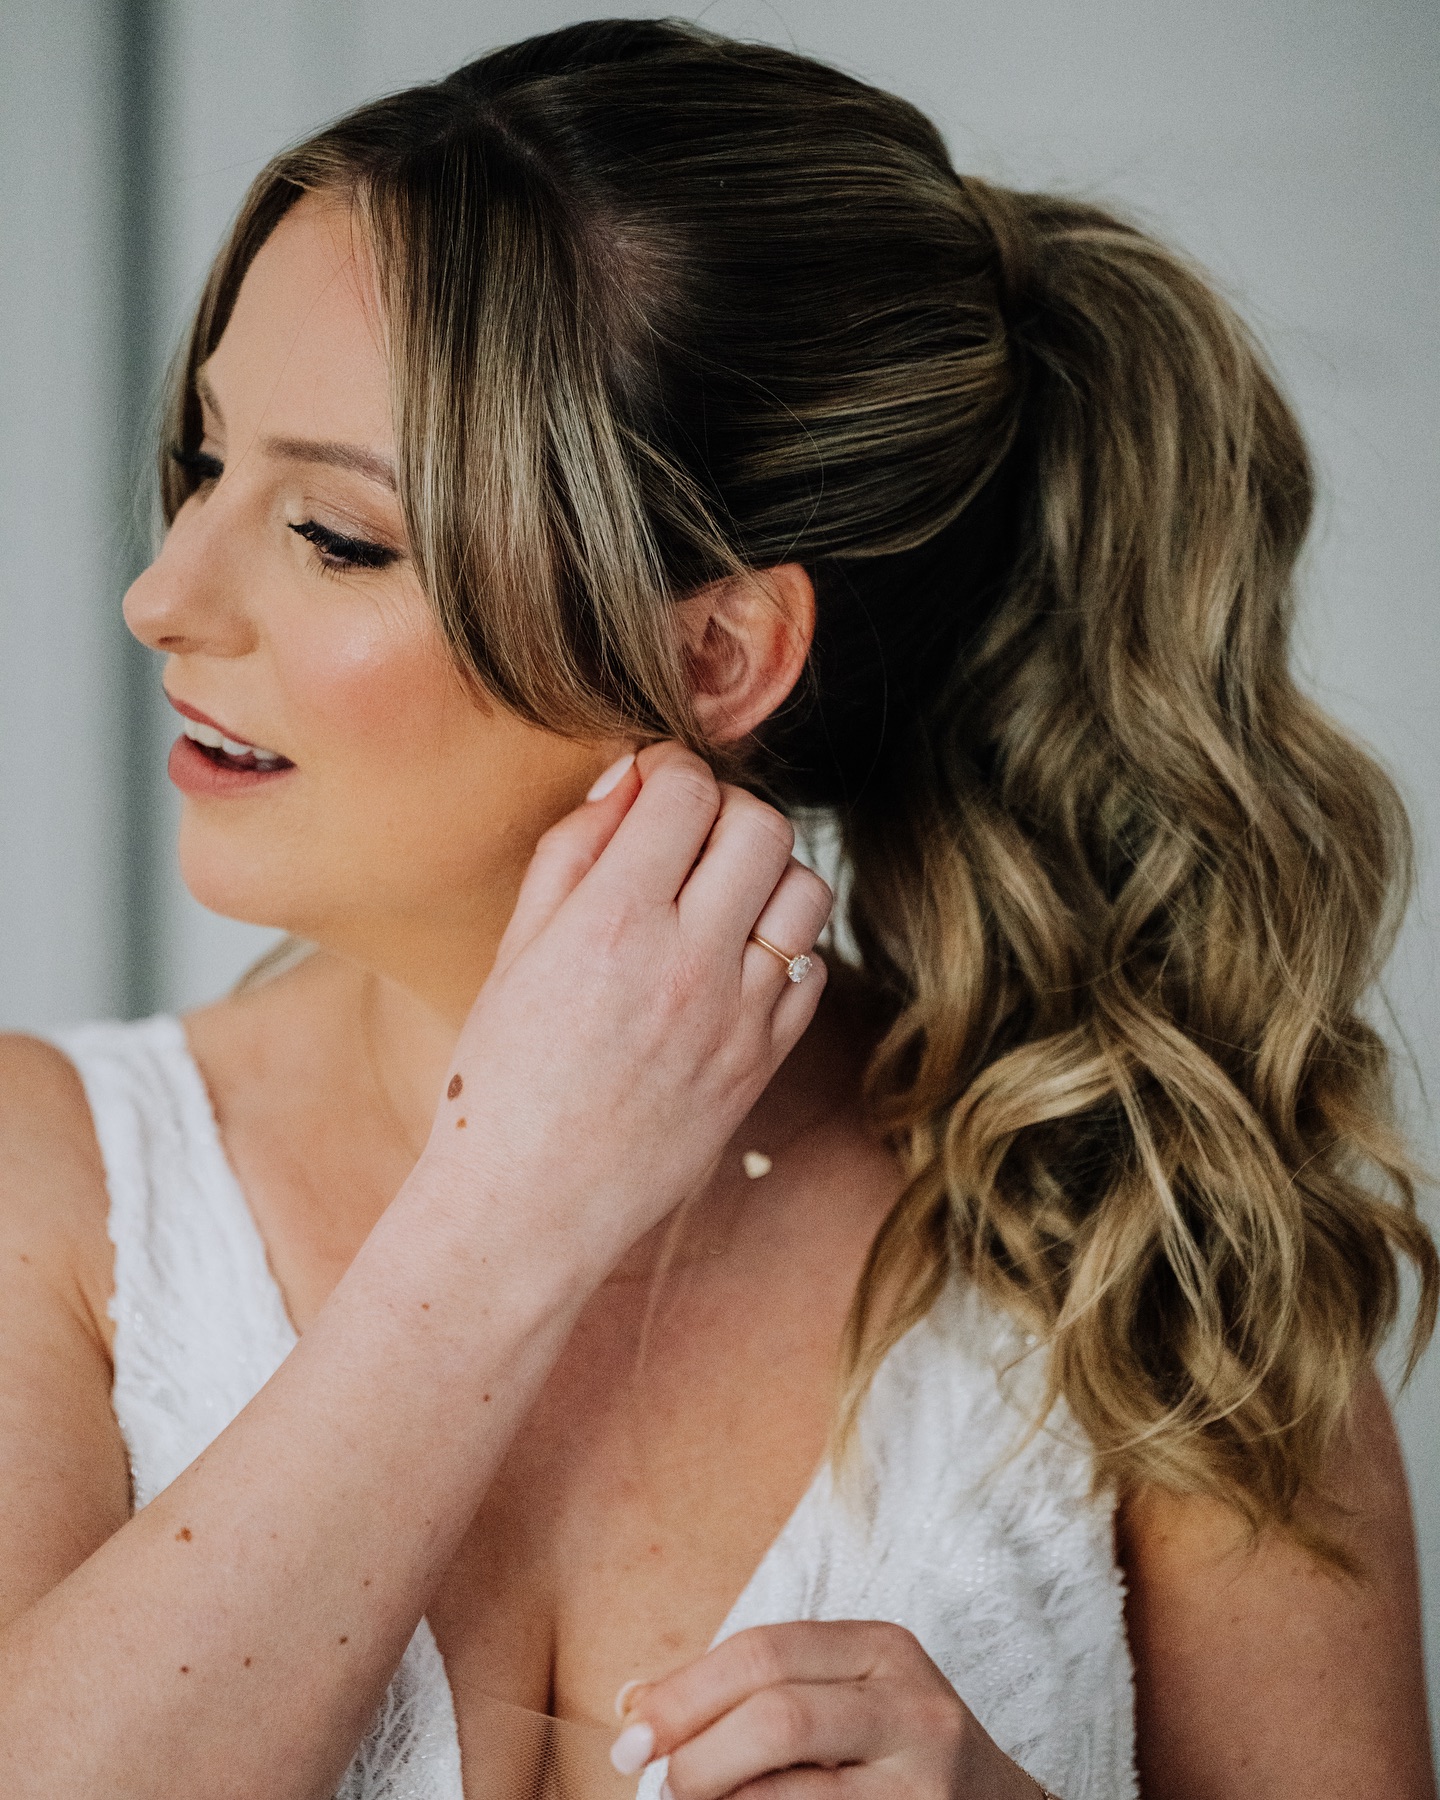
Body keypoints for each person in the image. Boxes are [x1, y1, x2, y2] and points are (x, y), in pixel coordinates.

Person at [0, 17, 1433, 1799]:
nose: (160, 593)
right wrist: (506, 1214)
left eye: (340, 536)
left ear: (713, 653)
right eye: (209, 462)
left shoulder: (1152, 1236)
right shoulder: (48, 1185)